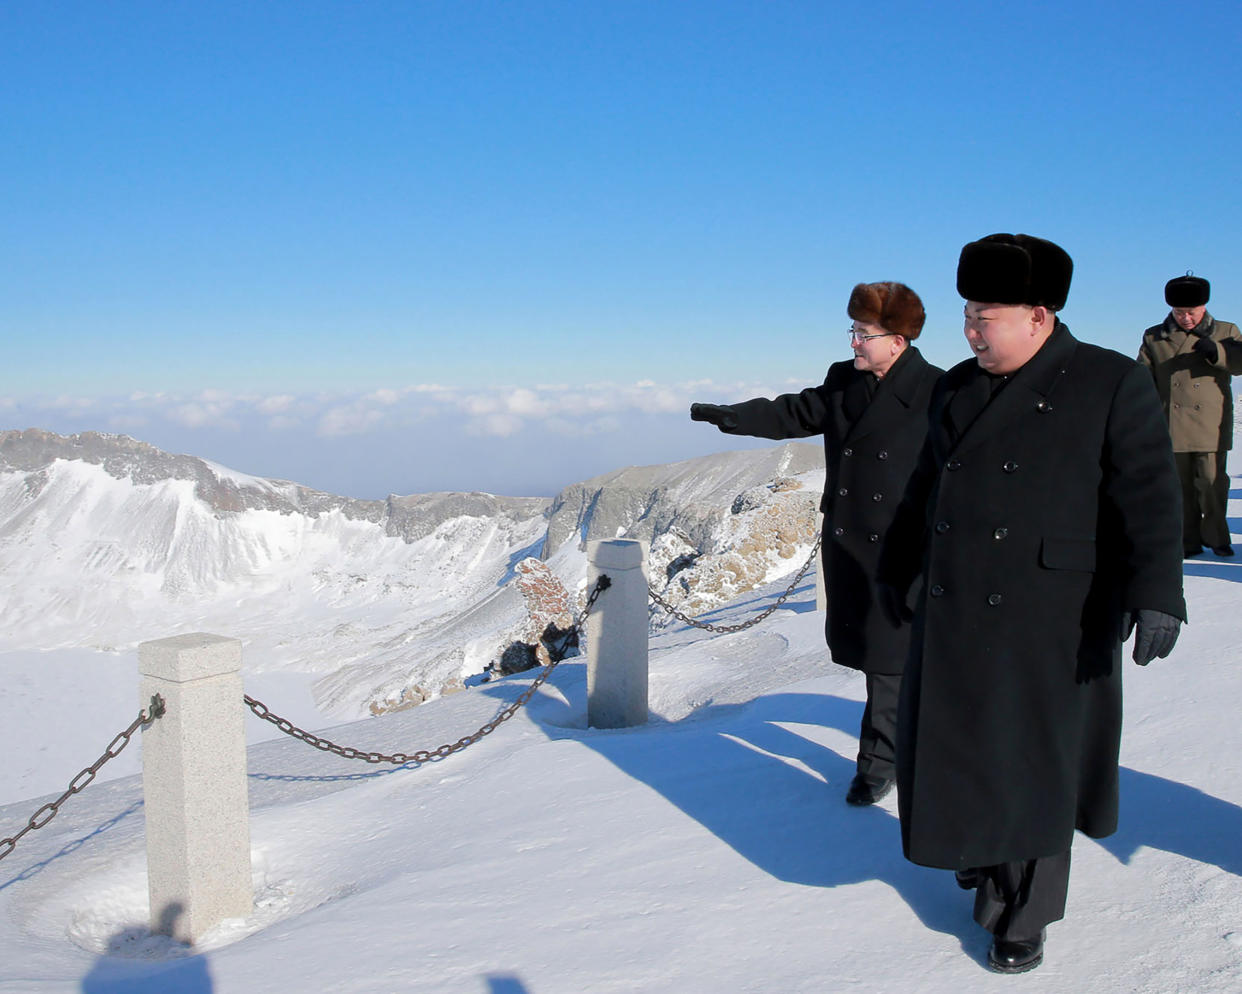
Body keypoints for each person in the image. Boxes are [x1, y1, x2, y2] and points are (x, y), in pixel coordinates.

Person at [876, 234, 1186, 974]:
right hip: (956, 606)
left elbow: (1147, 494)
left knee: (1034, 768)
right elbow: (926, 487)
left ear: (1040, 316)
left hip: (1055, 614)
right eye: (968, 313)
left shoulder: (1109, 380)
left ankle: (1026, 914)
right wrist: (897, 569)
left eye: (987, 314)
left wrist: (1157, 595)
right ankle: (979, 855)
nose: (971, 329)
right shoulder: (955, 386)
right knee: (964, 749)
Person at [690, 281, 942, 806]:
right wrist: (733, 417)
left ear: (898, 340)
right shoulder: (844, 382)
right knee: (882, 658)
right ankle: (891, 756)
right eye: (853, 330)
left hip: (905, 548)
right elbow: (795, 412)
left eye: (864, 333)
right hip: (852, 544)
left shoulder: (938, 392)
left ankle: (880, 765)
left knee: (892, 662)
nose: (854, 342)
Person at [1137, 274, 1242, 558]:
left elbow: (1239, 364)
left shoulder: (1226, 331)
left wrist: (1218, 351)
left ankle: (1218, 538)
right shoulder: (1154, 336)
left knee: (1212, 483)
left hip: (1211, 424)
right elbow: (1142, 377)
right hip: (1170, 424)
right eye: (1179, 312)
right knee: (1179, 488)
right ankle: (1188, 541)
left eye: (1191, 313)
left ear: (1204, 307)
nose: (1185, 318)